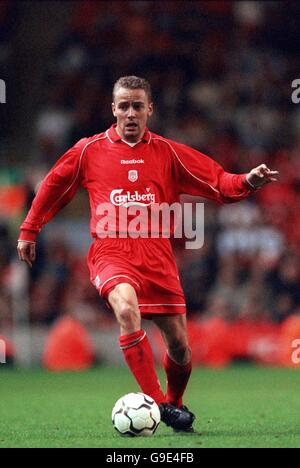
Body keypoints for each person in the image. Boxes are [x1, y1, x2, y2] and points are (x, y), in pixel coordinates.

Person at [17, 76, 279, 432]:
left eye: (137, 106)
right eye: (123, 106)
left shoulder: (168, 153)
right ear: (113, 109)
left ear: (149, 110)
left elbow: (216, 180)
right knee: (126, 309)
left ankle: (175, 404)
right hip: (112, 252)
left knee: (181, 349)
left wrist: (247, 181)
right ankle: (157, 404)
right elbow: (52, 186)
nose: (130, 113)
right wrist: (30, 228)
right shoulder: (88, 150)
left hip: (158, 259)